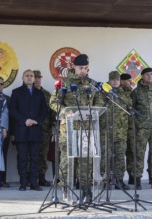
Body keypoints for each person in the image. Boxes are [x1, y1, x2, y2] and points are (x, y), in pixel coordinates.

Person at [50, 54, 102, 201]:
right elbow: (53, 102)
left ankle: (86, 190)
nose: (83, 71)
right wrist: (65, 111)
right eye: (80, 68)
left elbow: (98, 105)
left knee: (86, 161)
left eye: (85, 68)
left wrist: (95, 112)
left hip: (87, 129)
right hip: (69, 130)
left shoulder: (92, 84)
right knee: (67, 161)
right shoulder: (64, 83)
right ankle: (65, 189)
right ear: (73, 67)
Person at [11, 69, 48, 191]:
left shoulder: (39, 93)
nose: (29, 77)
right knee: (22, 158)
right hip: (22, 130)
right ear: (22, 78)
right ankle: (23, 183)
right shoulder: (16, 92)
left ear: (34, 78)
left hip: (36, 130)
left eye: (31, 76)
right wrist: (24, 120)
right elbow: (13, 110)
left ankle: (34, 183)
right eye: (27, 75)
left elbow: (44, 110)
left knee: (35, 158)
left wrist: (37, 121)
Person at [130, 67, 152, 190]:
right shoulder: (136, 92)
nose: (151, 76)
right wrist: (136, 124)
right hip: (142, 128)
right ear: (143, 76)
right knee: (139, 153)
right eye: (148, 74)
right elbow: (131, 110)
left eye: (151, 74)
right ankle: (137, 178)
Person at [99, 71, 131, 190]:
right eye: (113, 79)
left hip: (121, 131)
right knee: (105, 157)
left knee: (120, 157)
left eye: (117, 79)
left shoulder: (124, 93)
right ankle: (106, 180)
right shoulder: (102, 93)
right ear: (109, 80)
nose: (115, 81)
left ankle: (119, 180)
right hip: (106, 131)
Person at [33, 70, 55, 187]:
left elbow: (52, 112)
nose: (37, 80)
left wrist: (52, 127)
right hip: (31, 130)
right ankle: (30, 178)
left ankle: (42, 178)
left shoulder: (47, 94)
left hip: (44, 130)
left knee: (43, 155)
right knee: (30, 155)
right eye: (35, 77)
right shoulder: (28, 93)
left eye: (38, 78)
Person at [0, 76, 12, 188]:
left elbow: (12, 117)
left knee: (3, 156)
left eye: (1, 84)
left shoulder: (8, 99)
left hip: (5, 132)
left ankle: (3, 180)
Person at [120, 73, 135, 185]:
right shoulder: (115, 92)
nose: (130, 83)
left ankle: (132, 175)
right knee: (119, 153)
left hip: (131, 127)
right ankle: (117, 178)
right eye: (128, 81)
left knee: (131, 152)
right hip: (119, 128)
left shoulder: (132, 93)